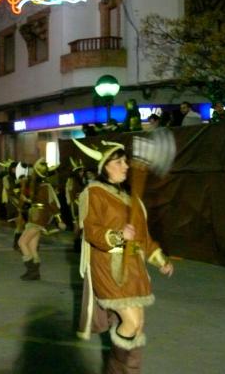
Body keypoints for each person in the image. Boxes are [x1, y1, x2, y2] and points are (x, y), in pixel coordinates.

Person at [73, 138, 174, 374]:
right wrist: (119, 236)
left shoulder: (132, 198)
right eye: (119, 162)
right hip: (109, 267)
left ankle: (130, 371)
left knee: (138, 326)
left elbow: (144, 239)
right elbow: (91, 231)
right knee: (130, 322)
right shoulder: (94, 193)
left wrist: (161, 260)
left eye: (125, 161)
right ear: (105, 166)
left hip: (134, 269)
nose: (126, 166)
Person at [17, 158, 65, 281]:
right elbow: (36, 201)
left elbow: (53, 203)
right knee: (32, 247)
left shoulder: (46, 186)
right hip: (34, 216)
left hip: (39, 218)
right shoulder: (37, 186)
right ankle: (35, 273)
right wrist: (26, 199)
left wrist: (59, 220)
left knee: (22, 242)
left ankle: (31, 270)